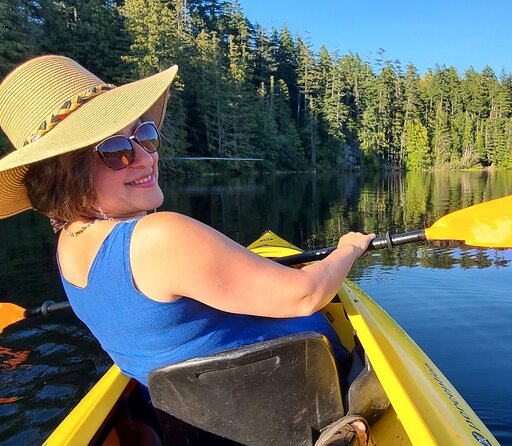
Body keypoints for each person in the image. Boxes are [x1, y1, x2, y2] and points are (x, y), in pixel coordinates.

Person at [0, 55, 373, 444]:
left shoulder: (67, 245)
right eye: (115, 150)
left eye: (144, 135)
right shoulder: (159, 236)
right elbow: (306, 294)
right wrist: (347, 249)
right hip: (302, 411)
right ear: (65, 172)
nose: (146, 156)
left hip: (198, 430)